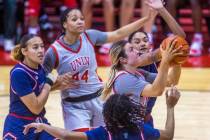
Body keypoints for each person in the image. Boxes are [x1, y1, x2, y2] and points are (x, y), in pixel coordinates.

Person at [42, 0, 163, 131]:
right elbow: (40, 83)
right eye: (74, 19)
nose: (80, 22)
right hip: (74, 105)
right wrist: (56, 84)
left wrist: (146, 18)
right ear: (64, 24)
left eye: (82, 19)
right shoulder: (53, 52)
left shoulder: (90, 36)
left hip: (98, 98)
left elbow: (119, 34)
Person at [23, 87, 181, 140]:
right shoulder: (142, 130)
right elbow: (168, 135)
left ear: (107, 114)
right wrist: (170, 107)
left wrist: (43, 125)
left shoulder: (104, 133)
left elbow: (65, 135)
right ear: (130, 112)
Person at [2, 34, 72, 139]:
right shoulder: (18, 73)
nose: (41, 50)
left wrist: (60, 82)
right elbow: (36, 108)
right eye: (35, 47)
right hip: (19, 126)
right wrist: (49, 83)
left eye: (42, 46)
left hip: (39, 123)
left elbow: (39, 89)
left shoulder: (40, 68)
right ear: (24, 51)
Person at [128, 0, 186, 125]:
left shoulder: (150, 61)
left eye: (145, 40)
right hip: (126, 122)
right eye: (137, 42)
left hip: (146, 119)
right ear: (130, 48)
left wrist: (176, 58)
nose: (142, 43)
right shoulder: (132, 63)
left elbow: (172, 81)